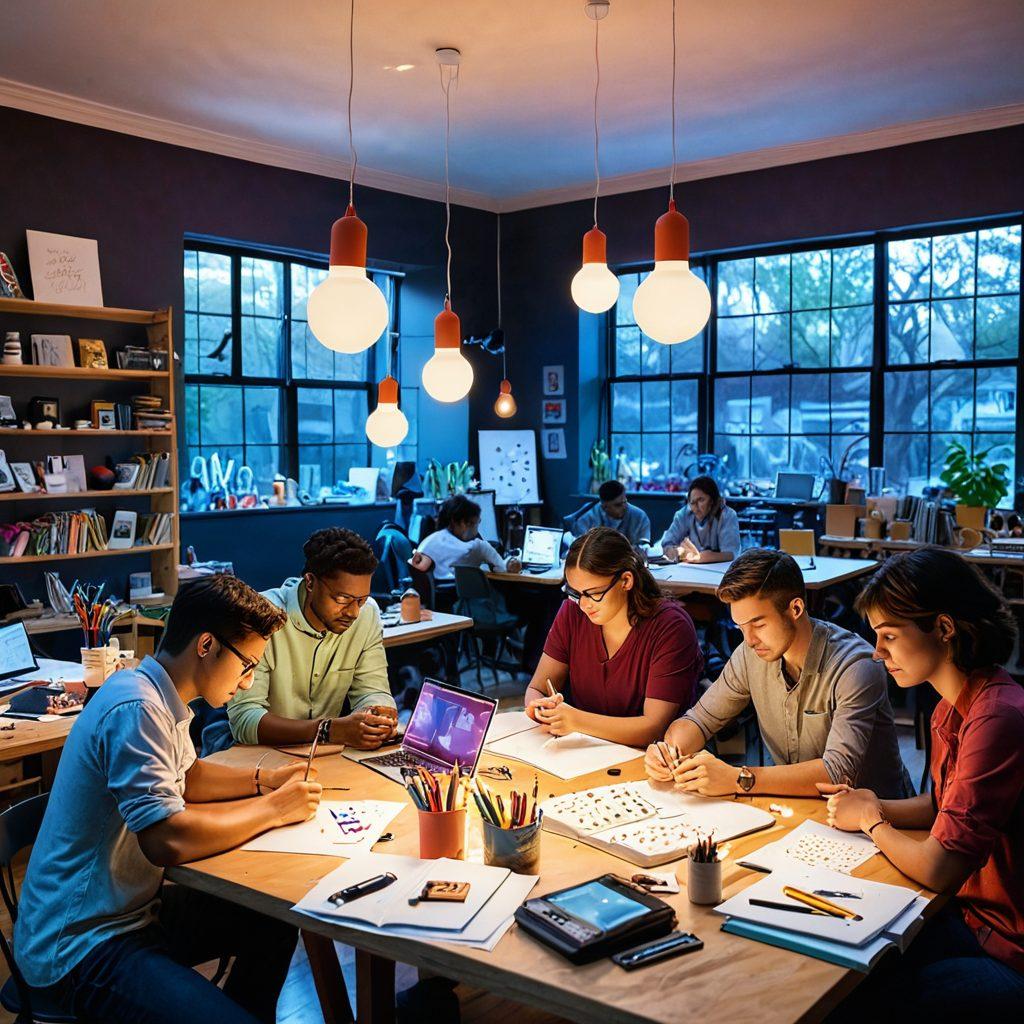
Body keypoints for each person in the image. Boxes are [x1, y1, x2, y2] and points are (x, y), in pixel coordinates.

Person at [13, 575, 322, 1024]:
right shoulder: (137, 709)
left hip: (130, 910)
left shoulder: (159, 694)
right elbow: (166, 840)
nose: (247, 682)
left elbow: (189, 777)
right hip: (79, 941)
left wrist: (264, 780)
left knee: (273, 918)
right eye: (247, 665)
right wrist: (274, 810)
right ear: (206, 645)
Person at [822, 549, 1024, 1017]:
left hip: (1009, 947)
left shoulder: (996, 719)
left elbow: (938, 868)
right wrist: (877, 805)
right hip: (972, 918)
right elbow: (942, 807)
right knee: (849, 950)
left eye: (889, 635)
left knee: (860, 996)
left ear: (944, 628)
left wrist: (873, 822)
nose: (877, 651)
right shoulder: (951, 707)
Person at [645, 548, 912, 798]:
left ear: (795, 609)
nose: (749, 640)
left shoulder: (856, 666)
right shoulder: (751, 654)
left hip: (880, 820)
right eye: (740, 627)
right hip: (800, 810)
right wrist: (670, 752)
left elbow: (837, 772)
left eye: (758, 624)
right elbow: (699, 720)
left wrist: (739, 778)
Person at [523, 527, 702, 747]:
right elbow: (537, 688)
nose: (584, 604)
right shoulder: (572, 612)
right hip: (584, 753)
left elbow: (653, 728)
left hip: (654, 761)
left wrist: (576, 721)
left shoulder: (670, 627)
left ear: (626, 581)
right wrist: (539, 707)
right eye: (575, 593)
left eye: (594, 593)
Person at [227, 527, 398, 749]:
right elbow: (244, 719)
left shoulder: (367, 615)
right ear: (310, 582)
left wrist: (377, 715)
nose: (353, 612)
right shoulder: (261, 616)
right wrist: (328, 730)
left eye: (361, 600)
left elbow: (373, 690)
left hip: (324, 754)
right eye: (342, 598)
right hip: (259, 754)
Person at [411, 494, 521, 580]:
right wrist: (510, 562)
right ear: (463, 523)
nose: (476, 529)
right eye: (476, 523)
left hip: (432, 605)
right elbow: (502, 569)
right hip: (468, 604)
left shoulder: (427, 543)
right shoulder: (478, 547)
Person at [659, 474, 740, 563]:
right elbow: (667, 544)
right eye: (692, 502)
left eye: (701, 500)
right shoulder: (683, 514)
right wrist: (678, 552)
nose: (695, 507)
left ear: (712, 500)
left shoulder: (728, 515)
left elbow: (731, 554)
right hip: (690, 570)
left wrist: (704, 556)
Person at [571, 479, 652, 547]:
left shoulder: (640, 517)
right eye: (618, 505)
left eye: (625, 501)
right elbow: (580, 548)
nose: (624, 507)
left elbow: (644, 546)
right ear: (604, 507)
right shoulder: (586, 516)